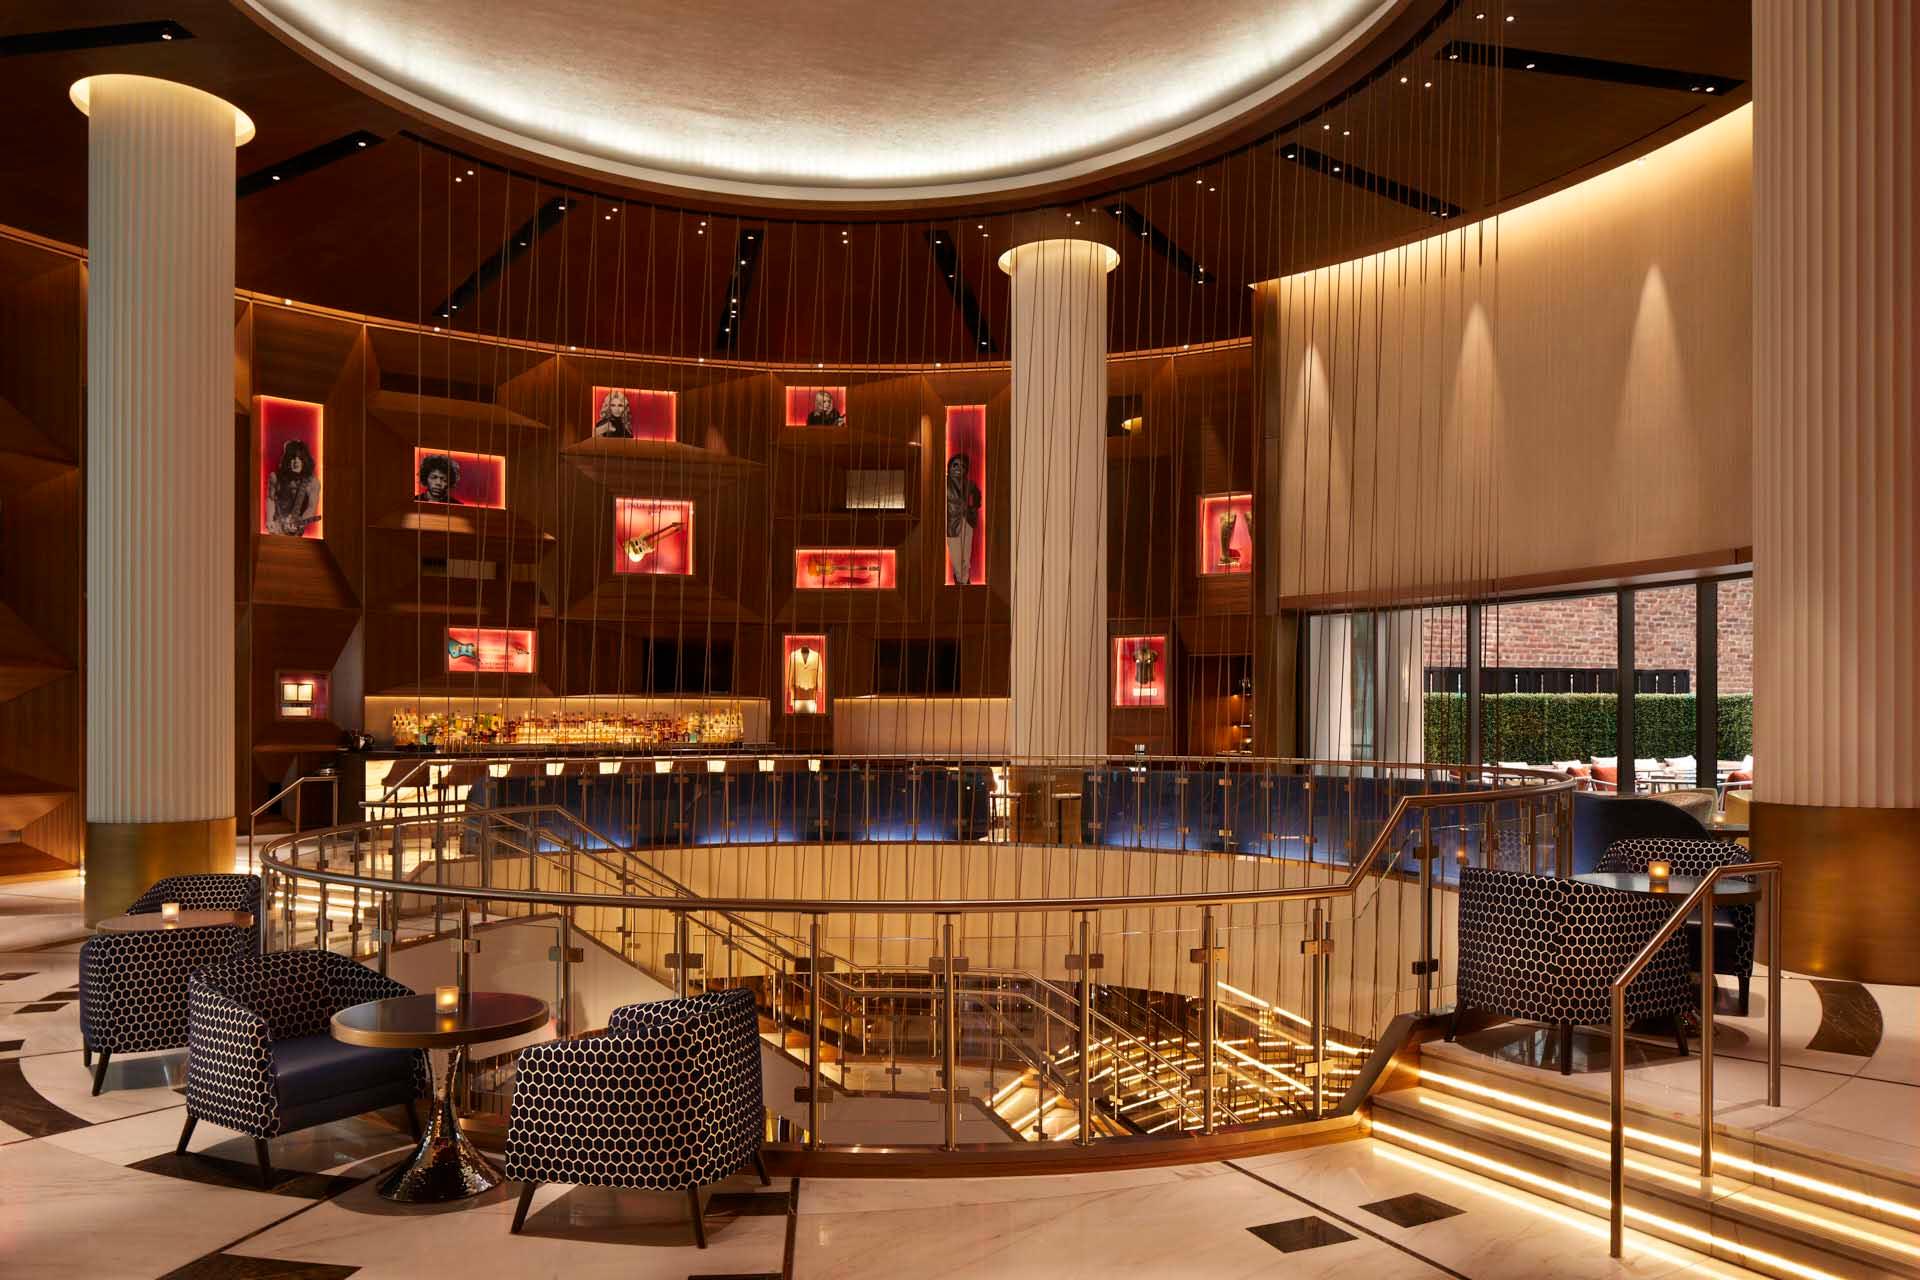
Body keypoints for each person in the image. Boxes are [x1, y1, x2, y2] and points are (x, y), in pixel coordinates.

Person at [266, 439, 320, 536]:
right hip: (277, 530)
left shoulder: (313, 482)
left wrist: (299, 523)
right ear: (287, 460)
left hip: (297, 532)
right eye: (292, 458)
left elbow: (311, 508)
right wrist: (269, 520)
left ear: (305, 460)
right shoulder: (275, 477)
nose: (296, 462)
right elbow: (271, 499)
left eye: (300, 458)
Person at [944, 452, 982, 585]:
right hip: (952, 523)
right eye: (955, 465)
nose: (959, 468)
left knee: (966, 556)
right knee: (956, 556)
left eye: (962, 466)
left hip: (968, 521)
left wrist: (974, 507)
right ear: (949, 467)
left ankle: (963, 582)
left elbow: (977, 494)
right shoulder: (944, 484)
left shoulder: (969, 483)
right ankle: (962, 582)